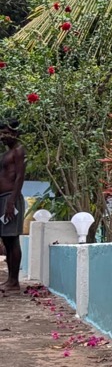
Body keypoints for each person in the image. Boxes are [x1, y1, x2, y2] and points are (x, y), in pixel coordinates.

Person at [0, 116, 25, 294]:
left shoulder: (19, 151)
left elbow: (20, 177)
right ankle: (10, 279)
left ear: (16, 133)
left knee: (12, 238)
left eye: (7, 132)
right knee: (6, 240)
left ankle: (14, 282)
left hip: (11, 198)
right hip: (3, 198)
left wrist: (11, 201)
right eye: (2, 133)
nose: (3, 136)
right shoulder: (5, 154)